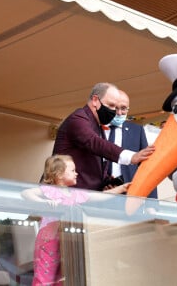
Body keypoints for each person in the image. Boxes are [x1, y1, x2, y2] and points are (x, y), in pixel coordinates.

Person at [21, 155, 129, 286]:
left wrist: (122, 188)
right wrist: (45, 202)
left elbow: (99, 196)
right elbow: (26, 193)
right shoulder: (50, 191)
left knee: (62, 278)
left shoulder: (75, 194)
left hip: (67, 240)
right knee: (44, 276)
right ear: (59, 174)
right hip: (49, 239)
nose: (76, 173)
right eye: (72, 170)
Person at [51, 82, 155, 191]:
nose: (114, 112)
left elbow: (95, 163)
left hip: (86, 197)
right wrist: (131, 157)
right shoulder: (78, 119)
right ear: (95, 100)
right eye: (111, 105)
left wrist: (108, 182)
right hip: (66, 195)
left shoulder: (98, 126)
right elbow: (95, 143)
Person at [104, 90, 157, 199]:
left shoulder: (137, 131)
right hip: (98, 194)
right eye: (115, 108)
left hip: (130, 195)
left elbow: (147, 167)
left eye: (123, 108)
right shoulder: (94, 129)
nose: (119, 113)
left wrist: (152, 203)